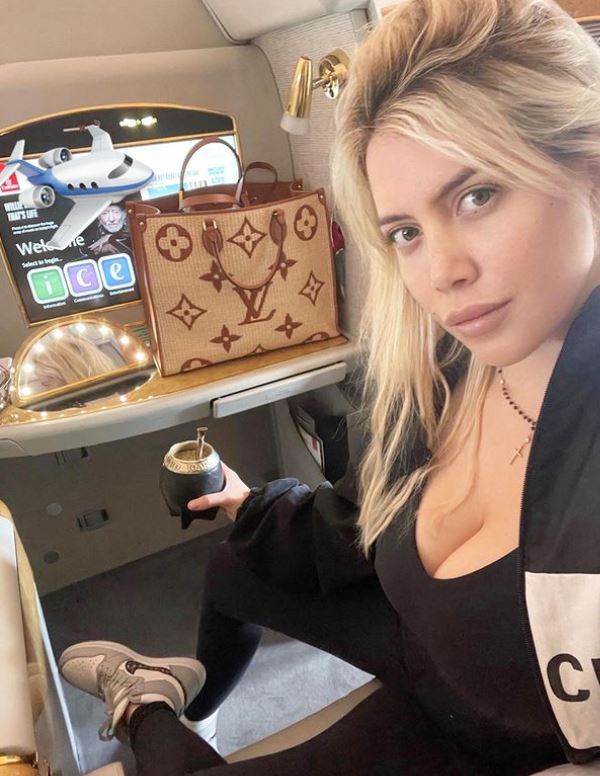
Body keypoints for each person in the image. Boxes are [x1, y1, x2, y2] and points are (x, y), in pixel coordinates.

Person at [58, 0, 600, 772]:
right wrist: (250, 506)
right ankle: (197, 700)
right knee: (234, 560)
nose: (442, 274)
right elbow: (359, 515)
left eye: (477, 195)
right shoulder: (444, 365)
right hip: (425, 644)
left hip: (496, 741)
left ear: (590, 169)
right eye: (406, 232)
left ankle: (140, 701)